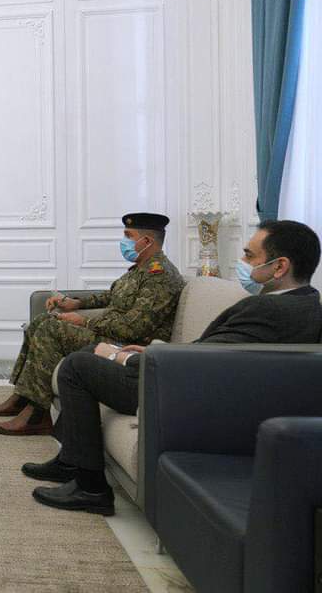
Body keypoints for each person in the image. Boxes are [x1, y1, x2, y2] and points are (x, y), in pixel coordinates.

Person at [26, 219, 322, 516]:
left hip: (180, 389)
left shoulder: (265, 308)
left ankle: (90, 488)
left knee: (77, 366)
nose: (242, 262)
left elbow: (208, 359)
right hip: (192, 375)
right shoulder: (306, 305)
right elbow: (218, 350)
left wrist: (125, 358)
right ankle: (71, 460)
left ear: (279, 266)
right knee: (90, 352)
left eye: (249, 255)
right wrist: (154, 350)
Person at [0, 213, 185, 436]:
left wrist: (85, 321)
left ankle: (37, 415)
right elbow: (112, 296)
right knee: (42, 320)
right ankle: (23, 397)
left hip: (127, 346)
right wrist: (76, 303)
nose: (124, 242)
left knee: (51, 329)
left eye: (129, 236)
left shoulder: (160, 275)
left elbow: (133, 328)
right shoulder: (140, 268)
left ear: (146, 241)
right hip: (113, 334)